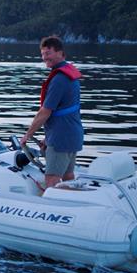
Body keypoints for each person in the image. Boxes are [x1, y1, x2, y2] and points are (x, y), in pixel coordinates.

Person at [21, 36, 84, 189]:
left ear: (61, 53)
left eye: (48, 53)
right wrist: (47, 138)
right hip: (72, 135)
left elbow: (45, 112)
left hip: (61, 139)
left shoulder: (59, 79)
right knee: (68, 177)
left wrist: (27, 135)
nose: (44, 58)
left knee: (51, 180)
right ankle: (73, 205)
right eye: (42, 54)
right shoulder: (69, 75)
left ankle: (55, 210)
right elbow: (63, 111)